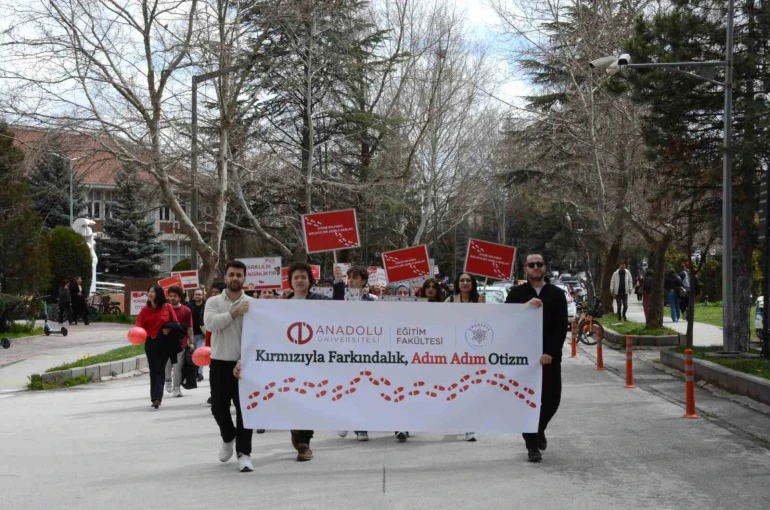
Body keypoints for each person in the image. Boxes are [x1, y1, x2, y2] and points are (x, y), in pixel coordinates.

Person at [505, 253, 568, 463]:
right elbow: (505, 320)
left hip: (549, 357)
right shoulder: (516, 294)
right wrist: (524, 307)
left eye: (539, 264)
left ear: (545, 267)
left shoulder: (557, 294)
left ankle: (539, 429)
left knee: (552, 399)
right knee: (526, 401)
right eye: (531, 265)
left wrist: (550, 352)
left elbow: (561, 328)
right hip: (523, 358)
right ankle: (532, 446)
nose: (535, 267)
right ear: (525, 269)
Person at [204, 261, 254, 473]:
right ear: (225, 278)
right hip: (219, 362)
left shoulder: (252, 303)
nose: (235, 278)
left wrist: (244, 360)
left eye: (239, 275)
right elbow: (210, 324)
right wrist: (234, 312)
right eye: (231, 274)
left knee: (245, 412)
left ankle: (244, 454)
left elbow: (256, 337)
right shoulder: (214, 301)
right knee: (218, 407)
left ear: (244, 278)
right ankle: (228, 436)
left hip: (244, 364)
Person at [445, 272, 482, 442]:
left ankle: (470, 426)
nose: (465, 283)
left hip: (474, 352)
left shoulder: (480, 301)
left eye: (468, 280)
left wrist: (483, 307)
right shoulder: (450, 301)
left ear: (473, 283)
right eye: (462, 280)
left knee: (471, 389)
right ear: (457, 283)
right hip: (453, 352)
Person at [135, 285, 178, 409]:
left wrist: (169, 328)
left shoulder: (167, 307)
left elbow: (176, 322)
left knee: (159, 369)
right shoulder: (144, 310)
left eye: (153, 291)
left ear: (158, 294)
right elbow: (138, 325)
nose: (150, 293)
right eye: (149, 291)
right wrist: (137, 333)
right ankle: (154, 397)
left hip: (164, 342)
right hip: (150, 343)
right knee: (153, 370)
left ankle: (157, 398)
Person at [165, 286, 194, 398]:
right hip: (166, 343)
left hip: (181, 342)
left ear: (179, 297)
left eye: (175, 296)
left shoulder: (186, 310)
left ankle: (176, 388)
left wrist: (191, 343)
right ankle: (168, 380)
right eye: (170, 296)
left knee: (178, 366)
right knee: (167, 364)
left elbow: (190, 328)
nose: (172, 298)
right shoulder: (165, 309)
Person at [187, 288, 206, 382]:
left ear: (203, 296)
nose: (197, 296)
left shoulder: (206, 306)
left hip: (202, 335)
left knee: (200, 354)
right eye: (196, 294)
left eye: (199, 294)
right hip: (191, 335)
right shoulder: (189, 306)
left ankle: (200, 373)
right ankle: (193, 373)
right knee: (192, 355)